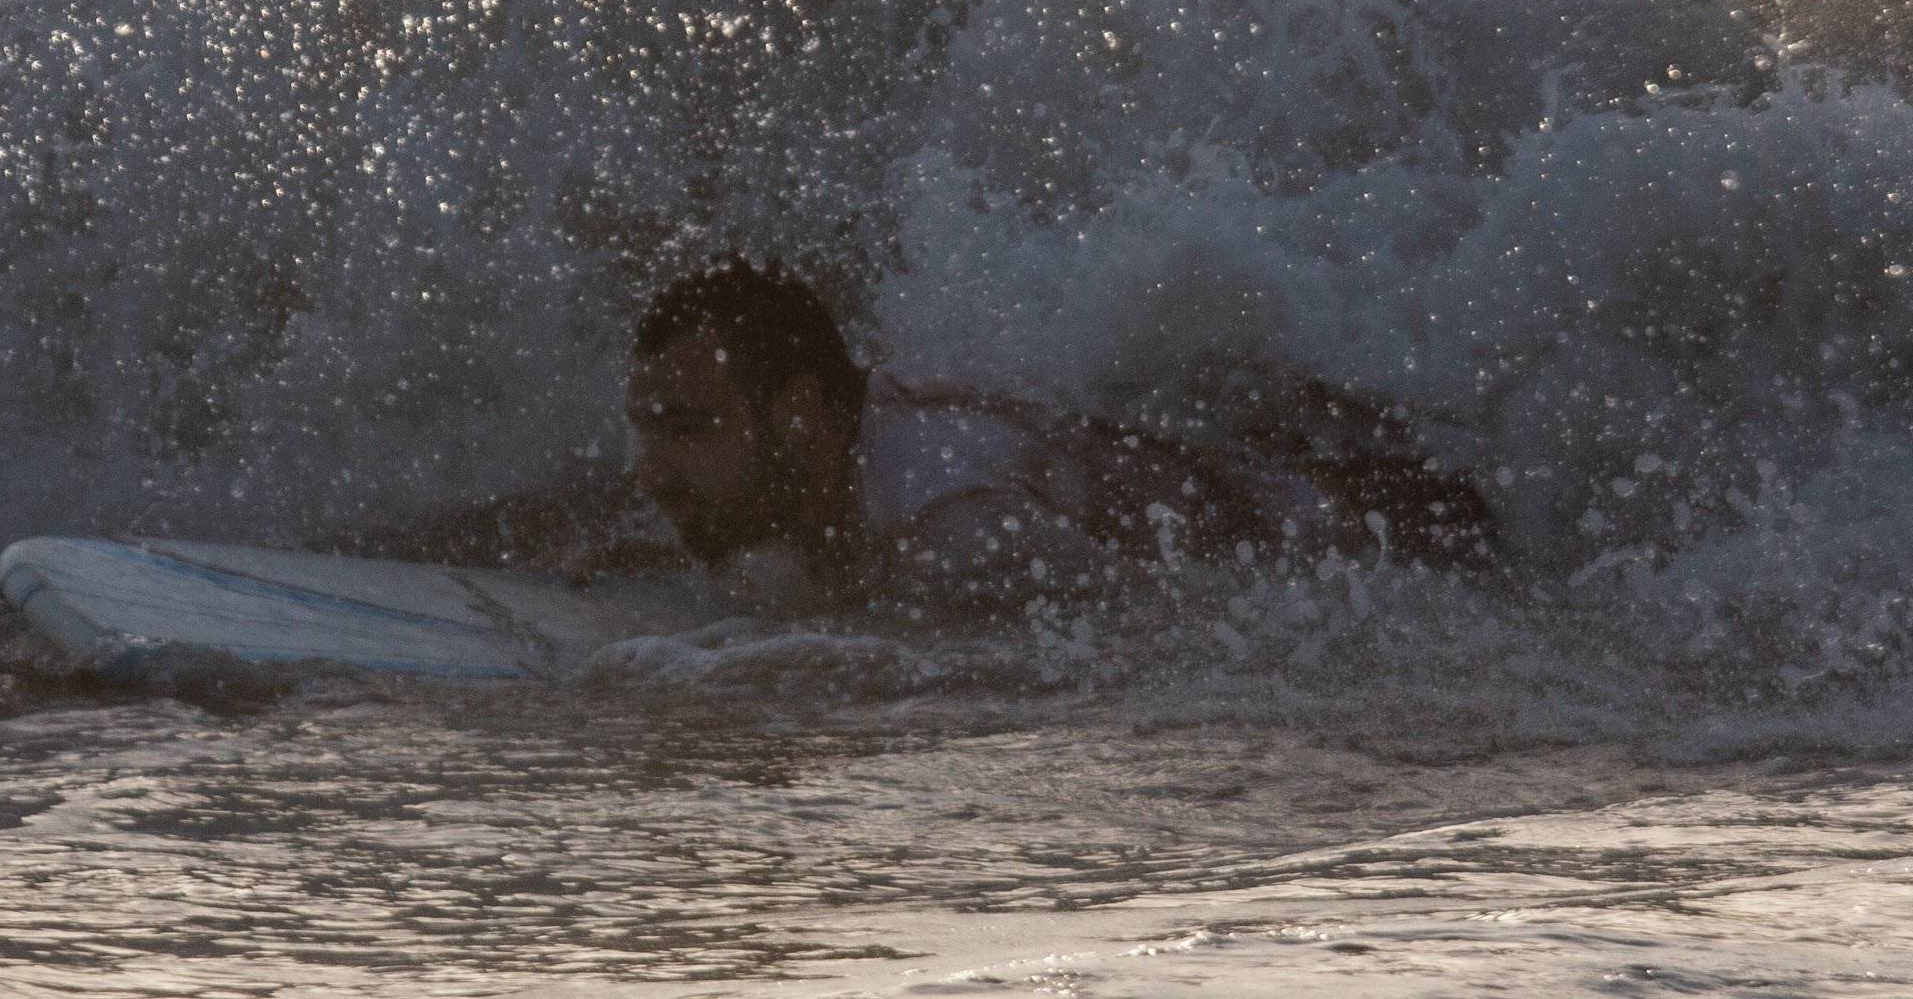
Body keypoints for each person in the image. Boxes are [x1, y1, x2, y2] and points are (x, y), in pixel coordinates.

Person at [623, 259, 1491, 615]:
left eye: (689, 432)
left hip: (1403, 543)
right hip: (1295, 477)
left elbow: (1176, 635)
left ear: (800, 415)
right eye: (646, 433)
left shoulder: (956, 523)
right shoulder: (868, 450)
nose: (651, 475)